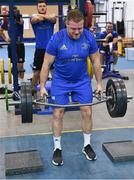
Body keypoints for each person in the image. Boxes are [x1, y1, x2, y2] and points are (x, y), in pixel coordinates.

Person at [40, 9, 103, 166]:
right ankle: (57, 148)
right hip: (60, 81)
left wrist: (100, 84)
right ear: (66, 24)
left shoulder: (88, 37)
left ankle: (87, 145)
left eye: (80, 28)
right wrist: (42, 86)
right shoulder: (57, 39)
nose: (77, 32)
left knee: (87, 111)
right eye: (73, 28)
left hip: (81, 81)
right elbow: (46, 63)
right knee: (58, 112)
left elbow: (95, 61)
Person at [30, 0, 56, 91]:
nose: (42, 7)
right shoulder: (33, 18)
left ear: (46, 7)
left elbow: (54, 19)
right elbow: (34, 20)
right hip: (39, 49)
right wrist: (46, 17)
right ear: (37, 8)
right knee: (37, 73)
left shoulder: (50, 17)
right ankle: (31, 91)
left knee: (54, 72)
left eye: (44, 6)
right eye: (40, 6)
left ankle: (58, 90)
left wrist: (43, 16)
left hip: (51, 49)